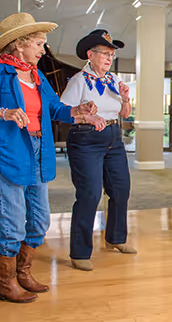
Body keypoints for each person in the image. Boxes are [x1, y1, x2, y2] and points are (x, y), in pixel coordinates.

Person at [0, 12, 104, 303]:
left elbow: (55, 108)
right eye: (39, 43)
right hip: (7, 155)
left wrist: (80, 111)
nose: (43, 50)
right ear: (18, 44)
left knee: (39, 221)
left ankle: (23, 273)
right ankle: (5, 283)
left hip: (39, 153)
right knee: (13, 224)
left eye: (43, 44)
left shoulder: (37, 74)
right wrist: (1, 112)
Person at [60, 29, 135, 271]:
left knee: (121, 190)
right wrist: (86, 116)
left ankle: (116, 238)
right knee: (90, 194)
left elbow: (125, 114)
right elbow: (63, 113)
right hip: (86, 140)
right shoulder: (78, 80)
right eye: (105, 53)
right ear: (90, 54)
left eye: (112, 54)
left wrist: (125, 98)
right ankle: (79, 252)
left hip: (113, 137)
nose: (109, 58)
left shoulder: (113, 80)